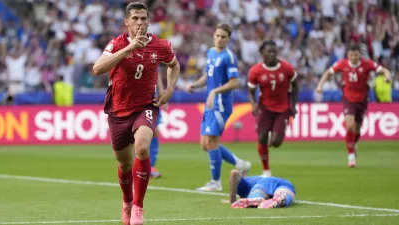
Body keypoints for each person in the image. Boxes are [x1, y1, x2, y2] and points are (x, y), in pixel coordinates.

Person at [92, 2, 180, 225]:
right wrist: (129, 49)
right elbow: (97, 68)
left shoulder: (160, 45)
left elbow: (174, 65)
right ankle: (127, 203)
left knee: (142, 146)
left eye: (143, 18)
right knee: (124, 164)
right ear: (127, 22)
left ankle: (138, 208)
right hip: (119, 109)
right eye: (135, 18)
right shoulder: (117, 43)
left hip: (146, 106)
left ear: (149, 21)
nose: (140, 22)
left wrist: (169, 90)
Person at [186, 23, 251, 192]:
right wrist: (194, 85)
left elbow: (235, 82)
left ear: (228, 39)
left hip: (222, 104)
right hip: (210, 103)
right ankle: (240, 163)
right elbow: (207, 76)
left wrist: (215, 91)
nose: (220, 39)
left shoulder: (229, 57)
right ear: (214, 36)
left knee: (211, 142)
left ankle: (216, 182)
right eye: (218, 36)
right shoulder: (211, 52)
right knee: (205, 144)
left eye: (224, 37)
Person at [316, 44, 391, 168]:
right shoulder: (342, 64)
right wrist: (320, 85)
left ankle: (353, 143)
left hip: (362, 100)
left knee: (356, 129)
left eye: (356, 55)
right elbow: (327, 73)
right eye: (351, 55)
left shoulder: (367, 64)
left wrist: (387, 76)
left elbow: (384, 70)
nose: (354, 57)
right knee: (349, 125)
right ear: (348, 55)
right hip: (348, 99)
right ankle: (351, 156)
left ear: (359, 55)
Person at [247, 40, 299, 176]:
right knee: (262, 137)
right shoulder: (255, 71)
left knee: (276, 143)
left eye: (274, 51)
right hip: (264, 108)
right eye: (268, 51)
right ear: (262, 54)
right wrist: (253, 105)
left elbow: (296, 86)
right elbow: (251, 91)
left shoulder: (287, 68)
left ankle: (273, 135)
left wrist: (293, 105)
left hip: (282, 109)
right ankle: (266, 169)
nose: (272, 54)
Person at [228, 169, 296, 209]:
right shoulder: (249, 180)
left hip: (261, 183)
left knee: (257, 193)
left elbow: (234, 173)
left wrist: (232, 200)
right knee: (284, 194)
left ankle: (255, 198)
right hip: (282, 183)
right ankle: (281, 199)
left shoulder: (245, 184)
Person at [150, 73, 168, 179]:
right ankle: (141, 166)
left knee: (155, 131)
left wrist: (163, 96)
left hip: (153, 98)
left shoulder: (153, 56)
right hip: (140, 97)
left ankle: (150, 166)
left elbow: (157, 75)